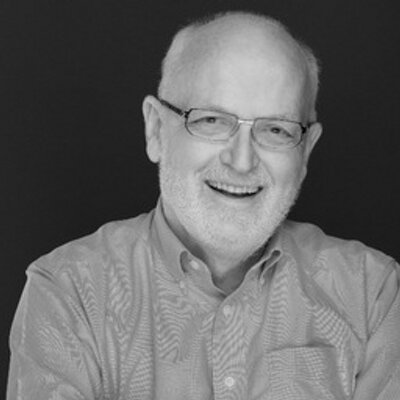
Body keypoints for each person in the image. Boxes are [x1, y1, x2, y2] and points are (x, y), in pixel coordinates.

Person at [7, 11, 400, 400]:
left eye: (276, 129)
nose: (242, 161)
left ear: (306, 151)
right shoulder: (68, 292)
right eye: (212, 121)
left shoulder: (373, 295)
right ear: (156, 129)